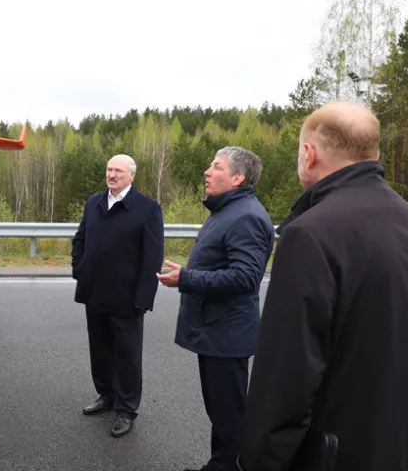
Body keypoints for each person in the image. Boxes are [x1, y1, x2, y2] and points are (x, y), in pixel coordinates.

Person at [237, 101, 408, 471]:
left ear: (309, 154)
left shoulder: (310, 234)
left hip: (341, 455)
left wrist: (259, 462)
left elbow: (285, 380)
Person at [157, 146, 274, 471]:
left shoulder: (246, 216)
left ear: (237, 177)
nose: (207, 172)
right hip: (217, 331)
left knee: (230, 415)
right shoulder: (228, 211)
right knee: (221, 412)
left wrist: (187, 278)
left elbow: (246, 277)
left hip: (227, 334)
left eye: (216, 166)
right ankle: (219, 465)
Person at [71, 153, 164, 438]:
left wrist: (144, 296)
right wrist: (80, 269)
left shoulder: (147, 208)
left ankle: (126, 409)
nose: (112, 175)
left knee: (127, 355)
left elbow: (153, 256)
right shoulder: (94, 203)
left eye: (119, 171)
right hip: (95, 291)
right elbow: (80, 239)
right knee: (99, 349)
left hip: (127, 297)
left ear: (131, 176)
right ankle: (106, 396)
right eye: (109, 169)